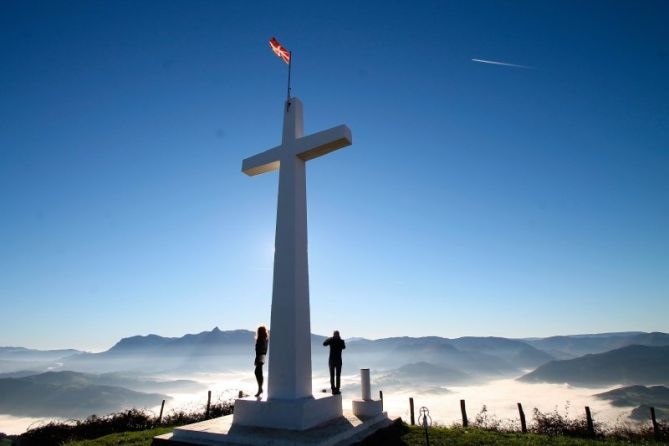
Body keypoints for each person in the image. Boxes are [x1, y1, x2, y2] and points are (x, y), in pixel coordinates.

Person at [323, 330, 346, 394]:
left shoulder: (331, 340)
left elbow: (324, 344)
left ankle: (333, 389)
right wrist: (339, 340)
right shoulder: (341, 341)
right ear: (339, 335)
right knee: (338, 375)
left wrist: (329, 339)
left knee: (332, 375)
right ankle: (337, 389)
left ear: (333, 334)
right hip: (338, 360)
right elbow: (344, 347)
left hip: (332, 360)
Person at [254, 325, 268, 397]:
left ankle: (260, 389)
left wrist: (257, 358)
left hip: (260, 355)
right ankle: (260, 388)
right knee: (258, 372)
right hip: (262, 355)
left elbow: (259, 349)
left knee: (258, 372)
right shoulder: (265, 339)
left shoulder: (261, 339)